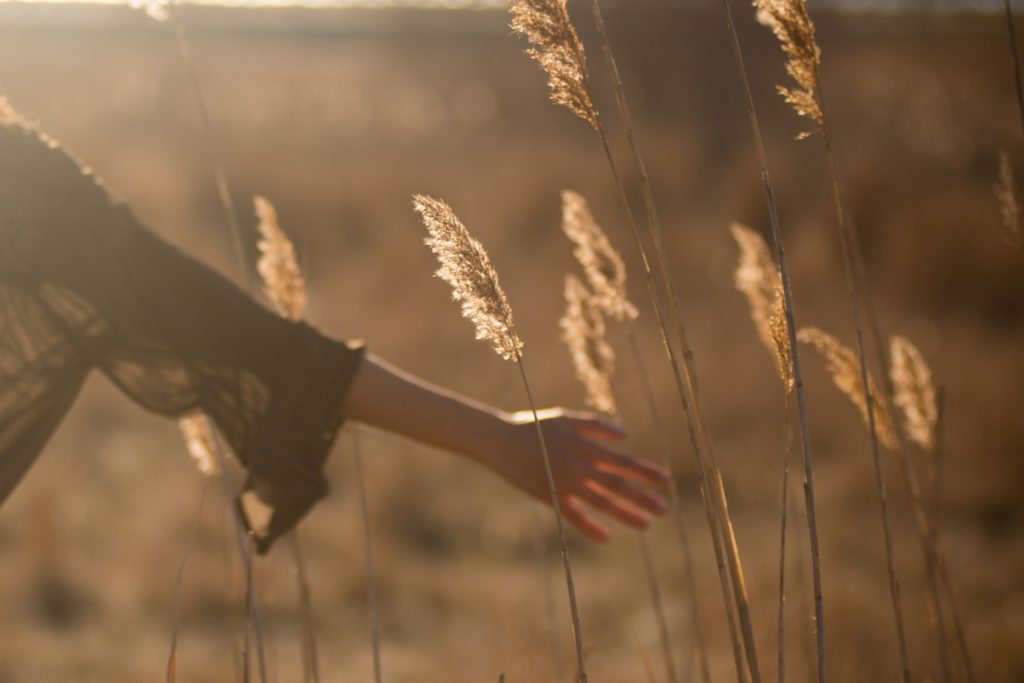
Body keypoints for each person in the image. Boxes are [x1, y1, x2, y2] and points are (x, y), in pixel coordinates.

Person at [0, 99, 668, 554]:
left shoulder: (27, 185)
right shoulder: (26, 181)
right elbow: (255, 343)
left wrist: (492, 436)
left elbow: (244, 338)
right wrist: (489, 437)